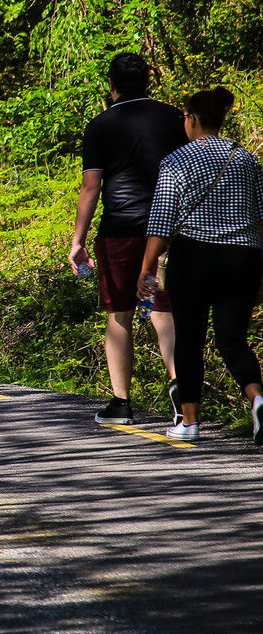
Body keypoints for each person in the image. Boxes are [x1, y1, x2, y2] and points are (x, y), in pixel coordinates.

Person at [137, 88, 263, 443]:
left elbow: (161, 223)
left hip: (194, 257)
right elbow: (262, 218)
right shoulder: (245, 159)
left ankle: (189, 422)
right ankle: (257, 397)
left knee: (189, 339)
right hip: (243, 256)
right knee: (233, 339)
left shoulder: (176, 161)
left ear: (191, 118)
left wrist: (146, 269)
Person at [69, 52, 185, 424]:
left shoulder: (100, 124)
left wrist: (78, 240)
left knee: (119, 313)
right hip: (170, 229)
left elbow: (91, 188)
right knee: (164, 311)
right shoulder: (176, 119)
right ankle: (180, 389)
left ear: (111, 84)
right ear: (149, 80)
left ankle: (121, 403)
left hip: (119, 229)